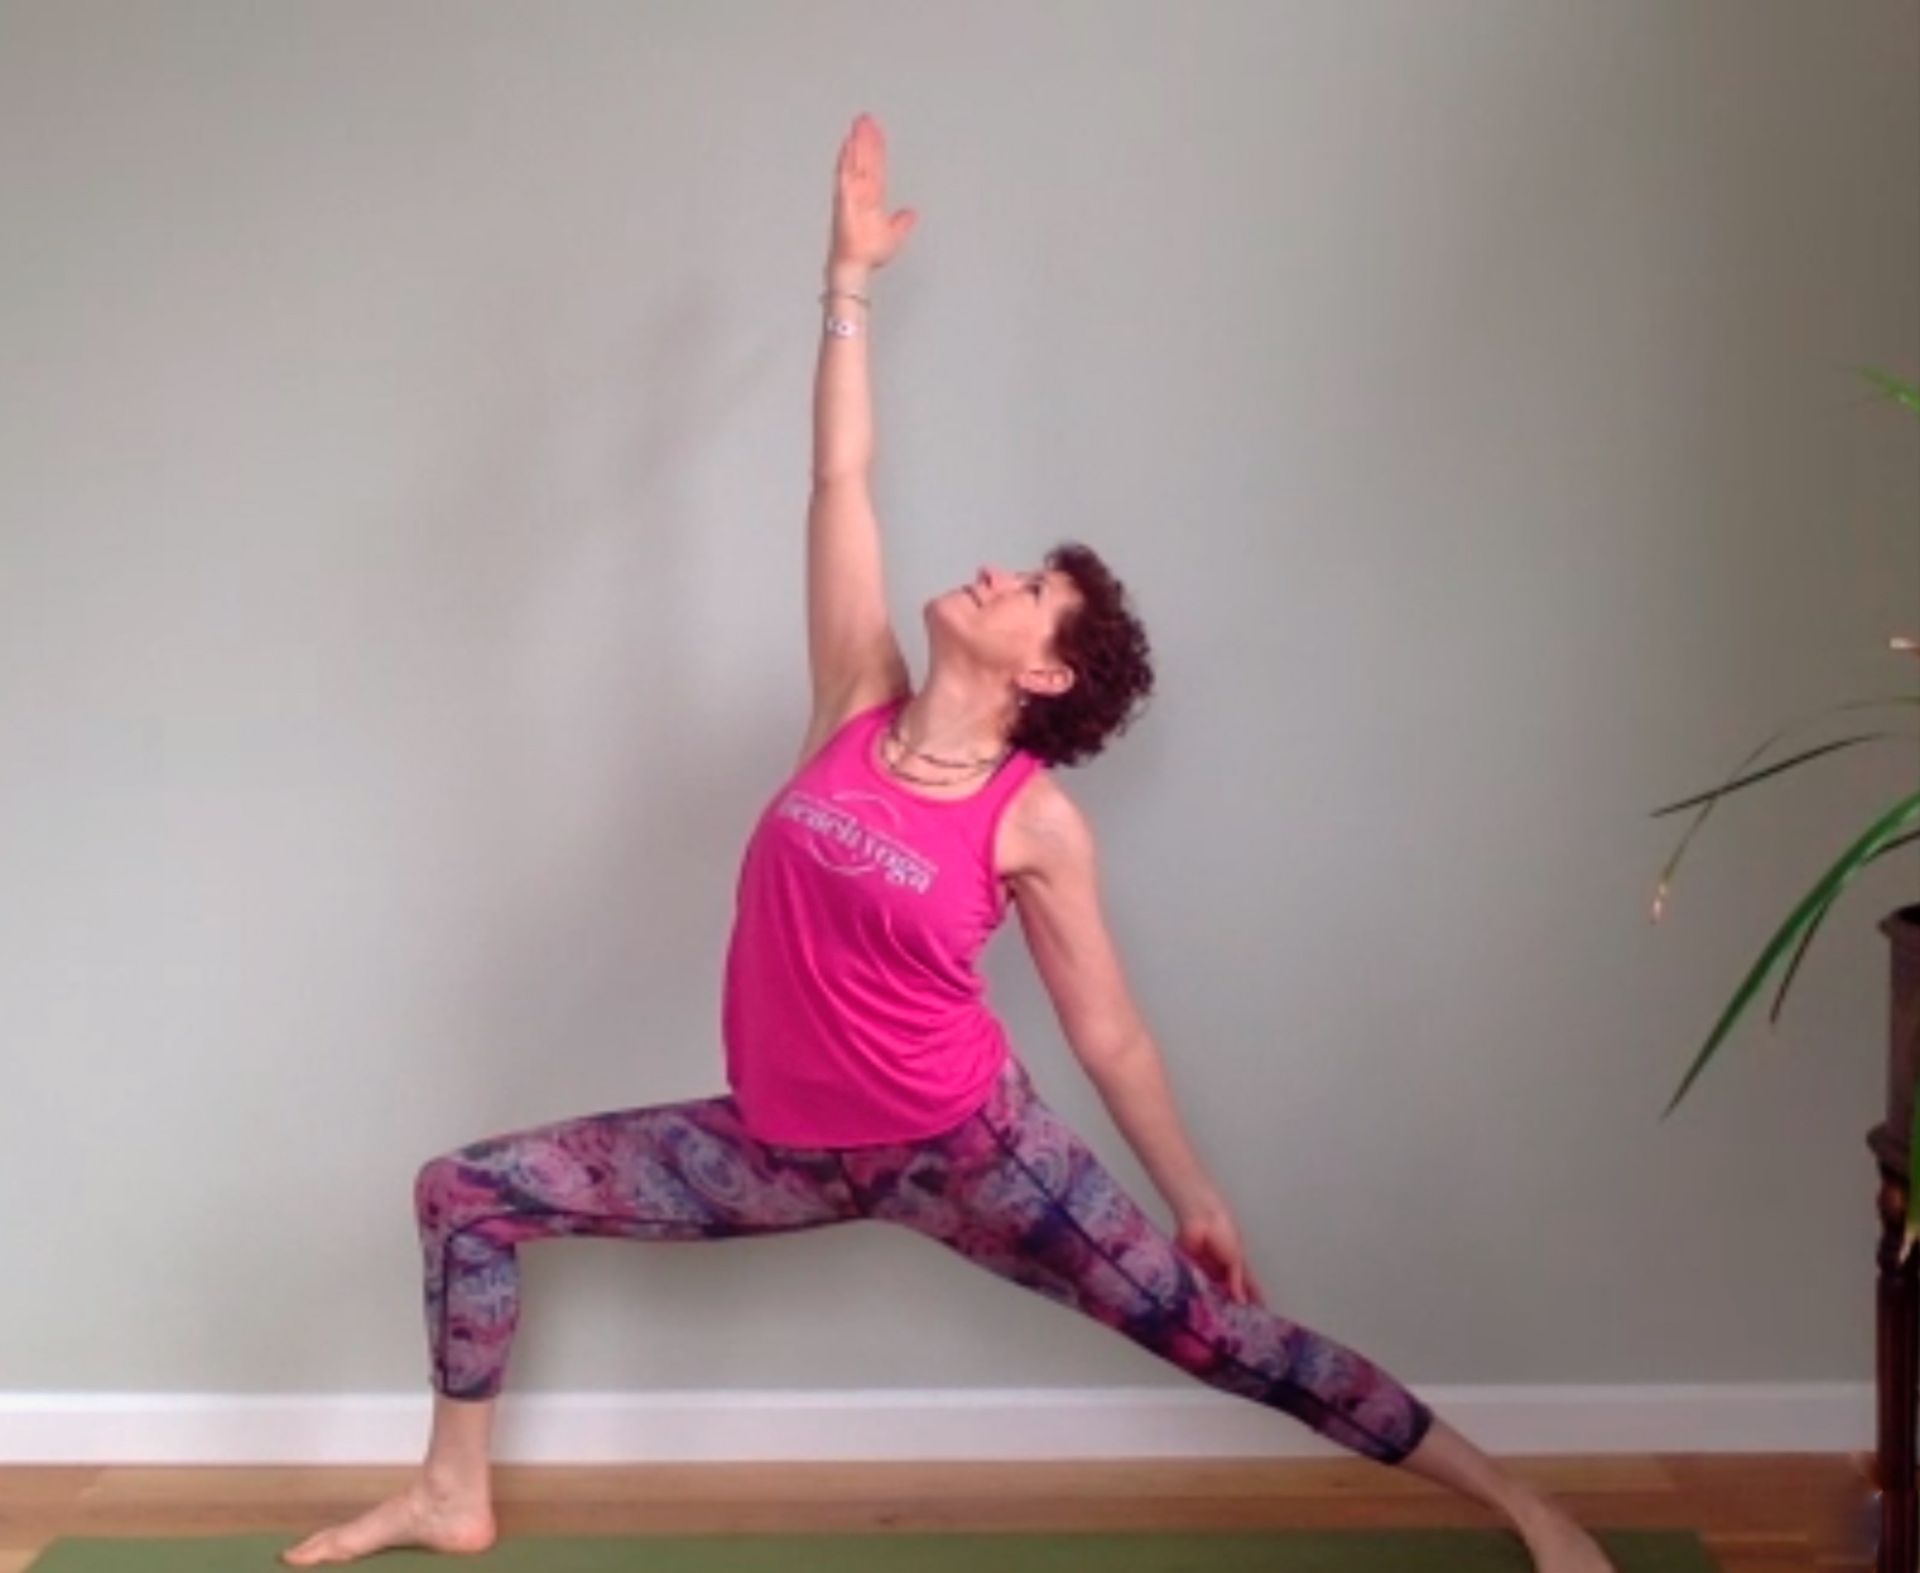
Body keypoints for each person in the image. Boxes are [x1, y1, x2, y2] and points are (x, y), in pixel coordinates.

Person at [281, 113, 1615, 1572]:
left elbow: (1107, 1032)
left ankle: (1525, 1505)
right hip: (777, 1148)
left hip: (969, 1151)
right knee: (462, 1191)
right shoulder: (856, 705)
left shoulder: (1031, 818)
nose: (990, 572)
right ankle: (451, 1492)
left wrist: (1198, 1197)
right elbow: (839, 486)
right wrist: (845, 285)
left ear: (1046, 671)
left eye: (1027, 586)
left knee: (1220, 1338)